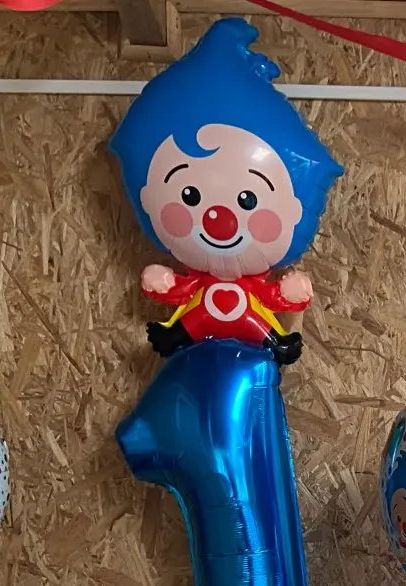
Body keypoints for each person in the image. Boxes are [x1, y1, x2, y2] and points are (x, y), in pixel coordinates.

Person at [108, 19, 343, 364]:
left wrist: (288, 293)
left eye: (248, 201)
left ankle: (276, 341)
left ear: (295, 208)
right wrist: (166, 282)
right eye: (189, 196)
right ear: (146, 198)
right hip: (196, 350)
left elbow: (271, 297)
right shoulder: (199, 274)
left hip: (248, 347)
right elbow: (182, 289)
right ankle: (174, 336)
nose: (218, 219)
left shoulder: (251, 280)